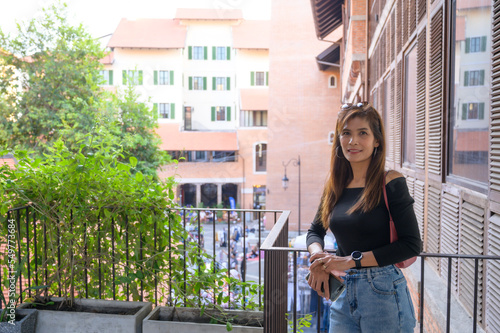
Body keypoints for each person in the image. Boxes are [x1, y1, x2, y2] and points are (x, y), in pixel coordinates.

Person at [306, 102, 421, 333]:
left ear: (376, 140)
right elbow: (314, 232)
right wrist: (318, 257)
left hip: (383, 291)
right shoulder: (335, 186)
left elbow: (411, 245)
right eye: (346, 133)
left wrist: (350, 261)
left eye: (362, 133)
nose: (353, 141)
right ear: (339, 139)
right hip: (343, 291)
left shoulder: (390, 182)